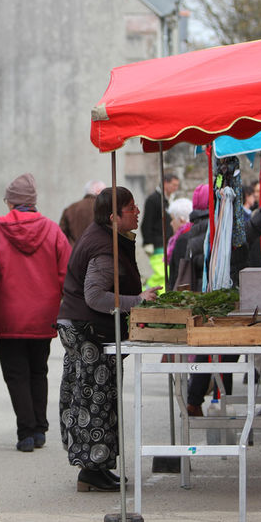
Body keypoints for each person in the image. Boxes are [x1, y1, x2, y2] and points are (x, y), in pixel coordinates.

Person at [57, 186, 158, 492]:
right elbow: (95, 296)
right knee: (94, 400)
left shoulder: (105, 237)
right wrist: (137, 301)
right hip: (89, 332)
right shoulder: (104, 247)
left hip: (88, 329)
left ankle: (95, 468)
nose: (137, 211)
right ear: (114, 217)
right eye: (131, 208)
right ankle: (92, 470)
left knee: (95, 398)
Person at [0, 174, 70, 452]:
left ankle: (26, 432)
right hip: (43, 314)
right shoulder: (53, 231)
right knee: (38, 370)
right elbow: (66, 275)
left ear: (10, 202)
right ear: (33, 201)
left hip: (8, 316)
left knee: (16, 374)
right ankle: (40, 427)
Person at [141, 173, 180, 288]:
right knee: (161, 274)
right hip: (158, 243)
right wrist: (148, 242)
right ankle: (145, 292)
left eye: (177, 185)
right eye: (173, 185)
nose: (175, 188)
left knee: (165, 274)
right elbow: (146, 222)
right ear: (165, 183)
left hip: (168, 242)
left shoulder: (170, 200)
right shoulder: (153, 200)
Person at [59, 179, 105, 245]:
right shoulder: (104, 208)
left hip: (74, 252)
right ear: (98, 191)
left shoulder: (70, 209)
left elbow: (61, 235)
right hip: (97, 251)